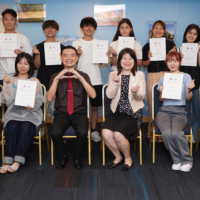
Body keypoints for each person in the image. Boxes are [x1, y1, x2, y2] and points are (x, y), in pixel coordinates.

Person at [47, 45, 96, 169]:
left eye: (72, 55)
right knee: (55, 133)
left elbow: (93, 95)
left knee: (83, 132)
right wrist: (57, 79)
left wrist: (79, 77)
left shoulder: (83, 75)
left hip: (79, 112)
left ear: (77, 58)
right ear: (61, 58)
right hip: (61, 112)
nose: (69, 58)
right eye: (65, 55)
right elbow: (49, 98)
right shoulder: (54, 76)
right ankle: (63, 157)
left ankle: (77, 157)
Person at [102, 48, 146, 171]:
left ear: (134, 60)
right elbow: (109, 95)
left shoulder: (139, 75)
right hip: (115, 113)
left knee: (118, 135)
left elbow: (142, 95)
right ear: (120, 60)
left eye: (130, 58)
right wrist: (116, 83)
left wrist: (135, 92)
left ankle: (128, 158)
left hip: (132, 114)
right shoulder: (113, 74)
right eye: (124, 58)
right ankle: (118, 157)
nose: (127, 61)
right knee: (106, 134)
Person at [0, 53, 43, 174]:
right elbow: (8, 101)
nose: (22, 66)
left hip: (30, 113)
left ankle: (18, 160)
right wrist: (7, 84)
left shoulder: (35, 80)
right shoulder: (10, 79)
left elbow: (38, 99)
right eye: (20, 63)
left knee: (26, 127)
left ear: (30, 66)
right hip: (14, 111)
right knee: (12, 127)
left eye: (26, 63)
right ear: (16, 65)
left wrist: (32, 103)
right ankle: (7, 160)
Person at [156, 51, 194, 172]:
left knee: (177, 133)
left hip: (180, 111)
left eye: (175, 61)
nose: (173, 63)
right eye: (170, 61)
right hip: (164, 111)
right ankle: (177, 159)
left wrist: (188, 89)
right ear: (166, 63)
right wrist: (161, 91)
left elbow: (189, 98)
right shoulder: (163, 78)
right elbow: (161, 100)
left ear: (180, 62)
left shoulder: (186, 76)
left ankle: (187, 160)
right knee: (166, 133)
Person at [142, 20, 176, 139]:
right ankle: (152, 133)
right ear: (152, 30)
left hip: (166, 75)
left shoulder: (171, 44)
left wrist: (172, 54)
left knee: (166, 103)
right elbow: (144, 65)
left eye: (160, 28)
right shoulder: (147, 46)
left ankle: (166, 133)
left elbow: (174, 63)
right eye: (156, 28)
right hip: (152, 75)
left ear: (164, 31)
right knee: (152, 102)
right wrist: (149, 58)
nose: (158, 30)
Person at [72, 17, 103, 142]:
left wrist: (104, 56)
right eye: (86, 25)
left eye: (91, 26)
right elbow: (70, 64)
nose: (89, 28)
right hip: (79, 80)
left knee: (94, 107)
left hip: (95, 80)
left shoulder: (98, 43)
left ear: (94, 28)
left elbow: (101, 62)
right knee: (79, 108)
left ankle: (94, 130)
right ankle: (82, 130)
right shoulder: (75, 44)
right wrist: (77, 54)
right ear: (82, 28)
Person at [33, 20, 65, 117]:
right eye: (47, 28)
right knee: (41, 112)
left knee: (57, 112)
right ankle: (41, 131)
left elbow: (66, 67)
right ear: (44, 30)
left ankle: (56, 131)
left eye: (53, 28)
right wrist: (37, 55)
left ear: (57, 30)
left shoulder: (63, 48)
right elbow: (36, 66)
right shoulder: (38, 47)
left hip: (58, 84)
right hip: (43, 83)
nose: (50, 30)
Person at [177, 24, 200, 142]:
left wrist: (199, 53)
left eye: (195, 33)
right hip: (184, 85)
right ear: (185, 33)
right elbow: (175, 68)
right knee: (185, 111)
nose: (191, 35)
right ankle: (187, 136)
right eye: (190, 32)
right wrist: (178, 58)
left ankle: (194, 137)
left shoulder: (199, 49)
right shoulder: (180, 49)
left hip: (197, 85)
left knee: (197, 112)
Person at [0, 9, 32, 85]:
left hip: (21, 77)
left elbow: (30, 58)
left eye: (11, 19)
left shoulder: (23, 38)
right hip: (2, 76)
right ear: (3, 22)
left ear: (16, 22)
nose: (9, 22)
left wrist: (21, 53)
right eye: (6, 19)